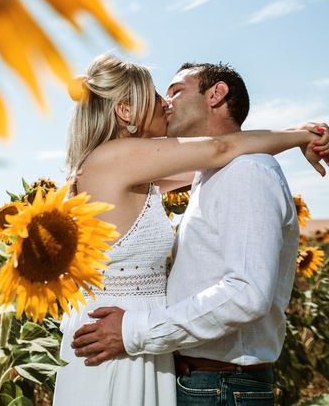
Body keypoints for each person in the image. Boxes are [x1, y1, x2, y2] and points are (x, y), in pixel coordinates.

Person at [53, 55, 328, 406]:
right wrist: (302, 134)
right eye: (155, 96)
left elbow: (221, 157)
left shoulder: (143, 171)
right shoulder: (115, 157)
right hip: (116, 333)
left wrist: (297, 136)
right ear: (125, 110)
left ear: (215, 96)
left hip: (139, 336)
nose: (165, 104)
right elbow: (221, 148)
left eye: (173, 92)